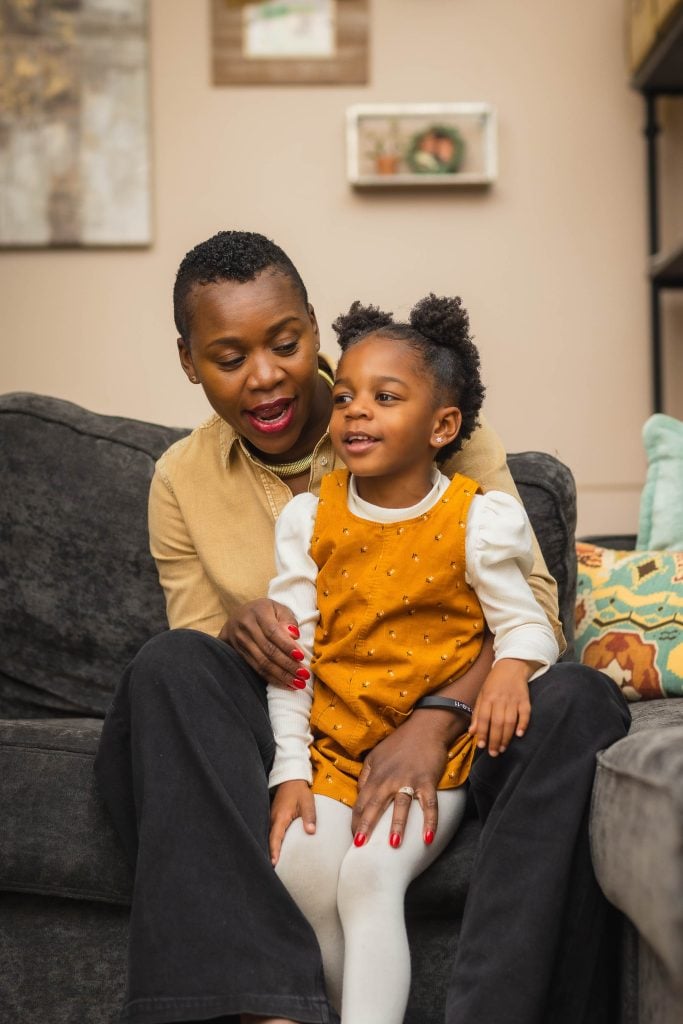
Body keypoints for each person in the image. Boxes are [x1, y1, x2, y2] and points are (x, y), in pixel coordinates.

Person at [94, 229, 630, 1024]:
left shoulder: (438, 431)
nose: (266, 376)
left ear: (312, 328)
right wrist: (240, 628)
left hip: (452, 712)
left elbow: (531, 605)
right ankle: (264, 1010)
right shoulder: (179, 479)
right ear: (188, 361)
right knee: (169, 667)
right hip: (312, 720)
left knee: (581, 700)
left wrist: (432, 716)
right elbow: (207, 672)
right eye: (228, 357)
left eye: (284, 343)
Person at [265, 294, 560, 1024]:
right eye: (345, 397)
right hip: (333, 749)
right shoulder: (309, 516)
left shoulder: (476, 519)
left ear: (442, 426)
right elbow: (293, 655)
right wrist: (290, 769)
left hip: (440, 755)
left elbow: (529, 626)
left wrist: (510, 671)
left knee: (368, 876)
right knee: (300, 871)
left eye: (384, 397)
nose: (356, 412)